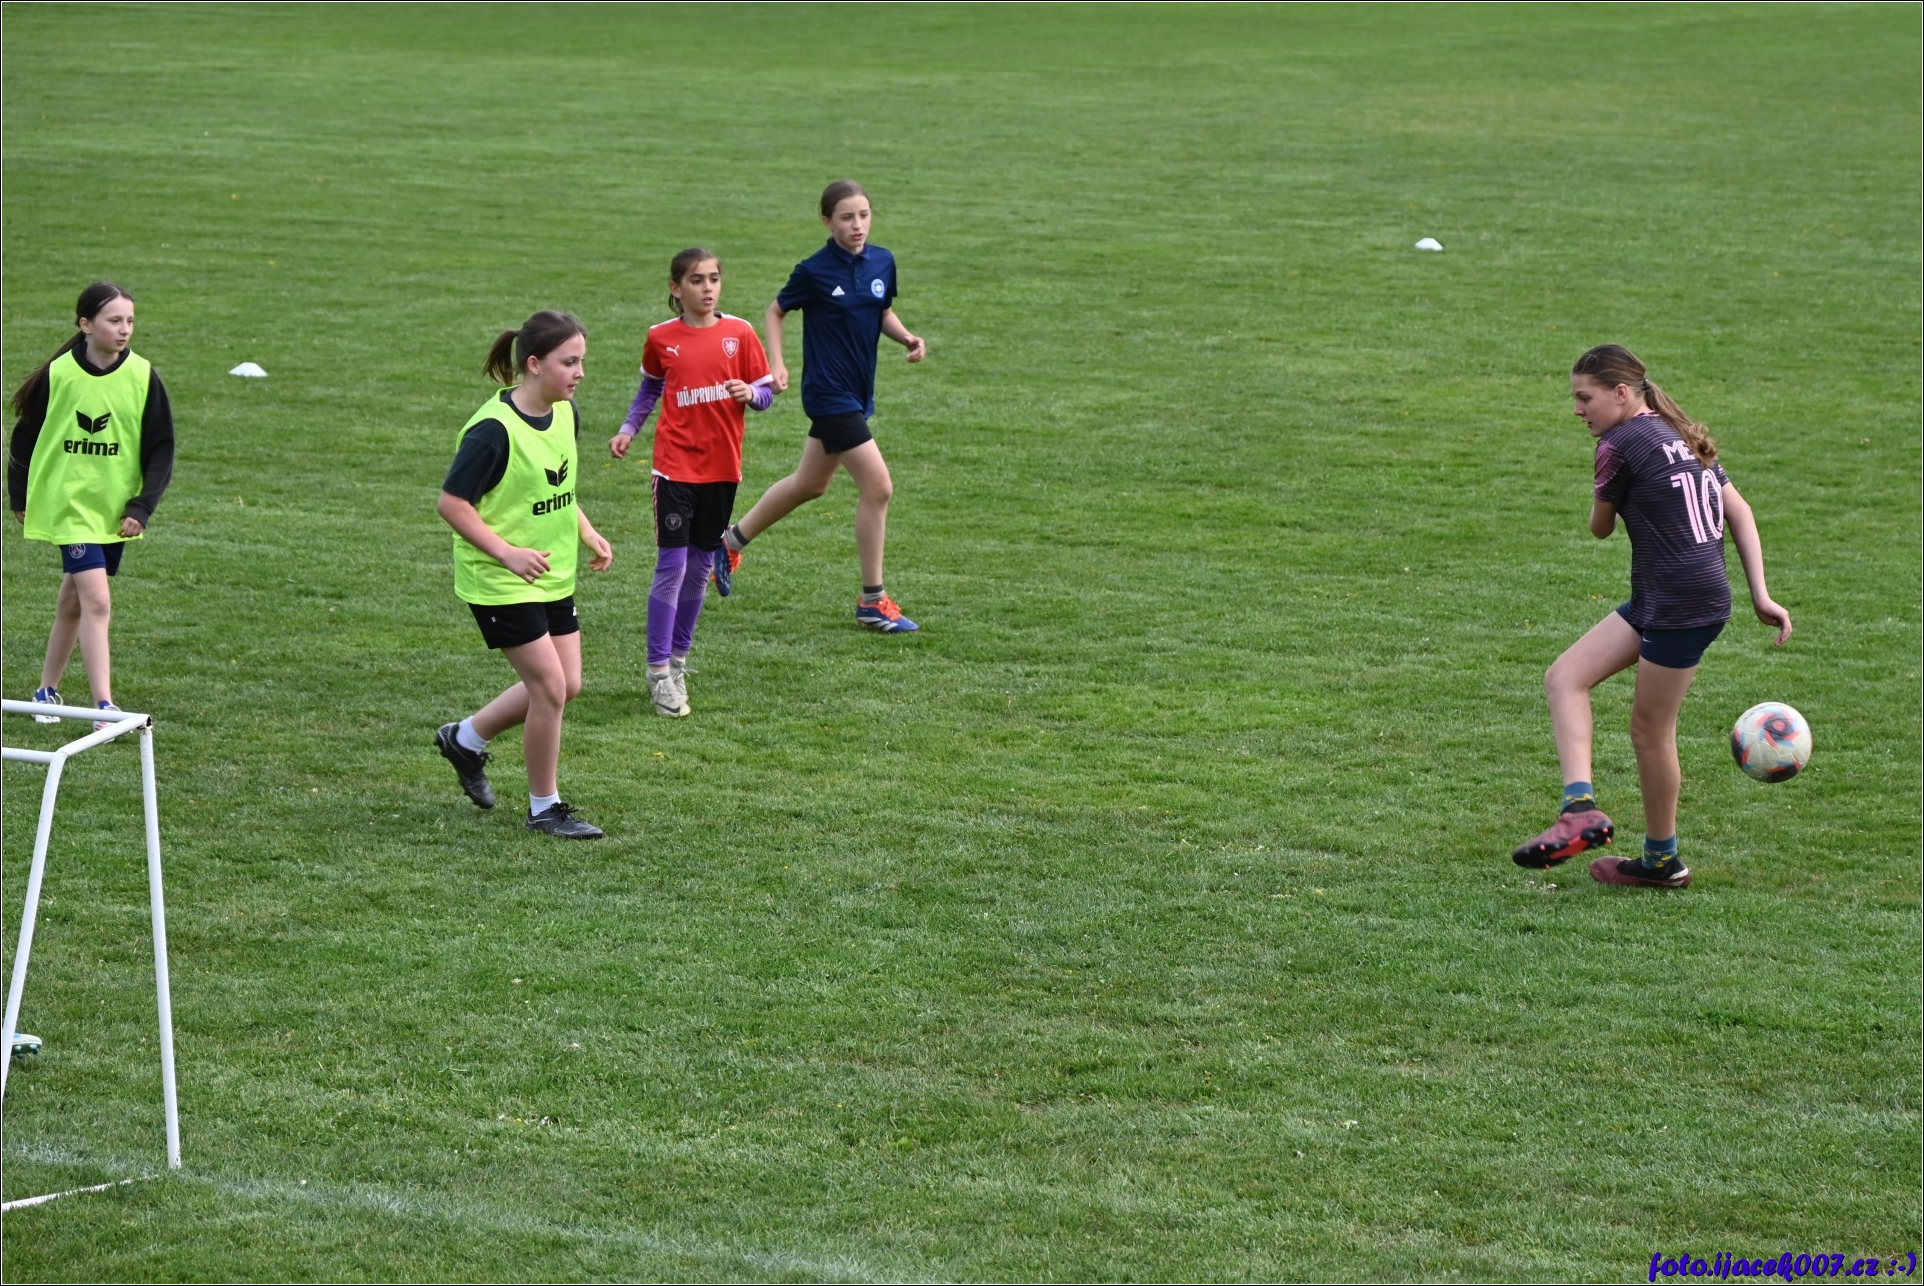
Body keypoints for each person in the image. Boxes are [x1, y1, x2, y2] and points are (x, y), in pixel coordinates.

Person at [1512, 345, 1792, 889]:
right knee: (1565, 678)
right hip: (1671, 597)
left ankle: (1662, 863)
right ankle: (1579, 810)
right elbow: (1738, 509)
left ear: (1621, 393)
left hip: (1679, 603)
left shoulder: (1617, 445)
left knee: (1650, 731)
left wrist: (1608, 486)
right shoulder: (1677, 432)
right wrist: (1761, 594)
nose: (1578, 410)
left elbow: (1600, 529)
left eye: (1584, 398)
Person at [434, 310, 613, 839]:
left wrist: (586, 531)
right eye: (569, 362)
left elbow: (557, 487)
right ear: (534, 364)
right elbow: (452, 503)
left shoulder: (564, 413)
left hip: (549, 573)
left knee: (567, 684)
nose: (580, 372)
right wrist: (507, 553)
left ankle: (464, 739)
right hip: (499, 578)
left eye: (581, 360)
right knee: (550, 688)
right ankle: (544, 808)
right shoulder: (493, 432)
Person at [718, 179, 926, 633]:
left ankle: (729, 542)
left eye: (864, 215)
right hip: (828, 395)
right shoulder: (813, 271)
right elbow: (776, 311)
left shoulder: (882, 261)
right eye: (847, 218)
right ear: (827, 221)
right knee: (879, 487)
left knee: (810, 484)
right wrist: (776, 363)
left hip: (857, 392)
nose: (857, 225)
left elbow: (880, 310)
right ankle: (873, 600)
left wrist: (907, 337)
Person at [609, 248, 774, 717]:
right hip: (674, 468)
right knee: (672, 567)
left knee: (701, 567)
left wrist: (752, 393)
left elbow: (766, 393)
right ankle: (658, 672)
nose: (707, 288)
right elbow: (650, 387)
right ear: (676, 288)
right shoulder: (661, 337)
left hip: (722, 470)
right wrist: (628, 429)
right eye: (697, 280)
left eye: (714, 279)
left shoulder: (740, 333)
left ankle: (678, 662)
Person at [8, 281, 175, 728]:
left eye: (130, 321)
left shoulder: (142, 376)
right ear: (86, 324)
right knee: (97, 599)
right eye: (114, 320)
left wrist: (141, 507)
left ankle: (46, 692)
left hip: (112, 512)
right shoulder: (59, 374)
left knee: (74, 601)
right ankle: (104, 707)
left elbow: (162, 448)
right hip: (68, 507)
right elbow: (24, 439)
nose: (125, 330)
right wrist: (19, 495)